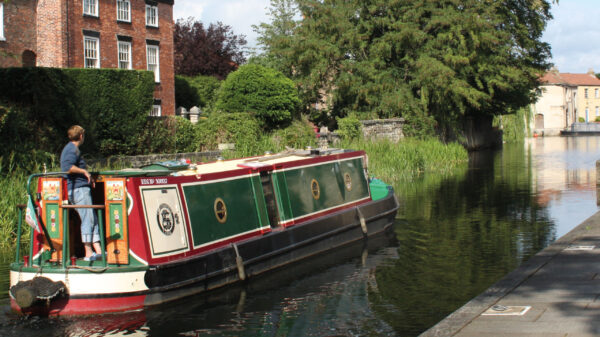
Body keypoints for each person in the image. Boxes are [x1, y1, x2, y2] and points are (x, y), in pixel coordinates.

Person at [60, 125, 101, 261]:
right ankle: (88, 252)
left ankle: (99, 251)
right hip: (78, 190)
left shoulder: (72, 149)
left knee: (92, 217)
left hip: (80, 187)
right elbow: (67, 168)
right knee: (87, 219)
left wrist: (89, 180)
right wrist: (84, 172)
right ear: (81, 136)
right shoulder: (72, 149)